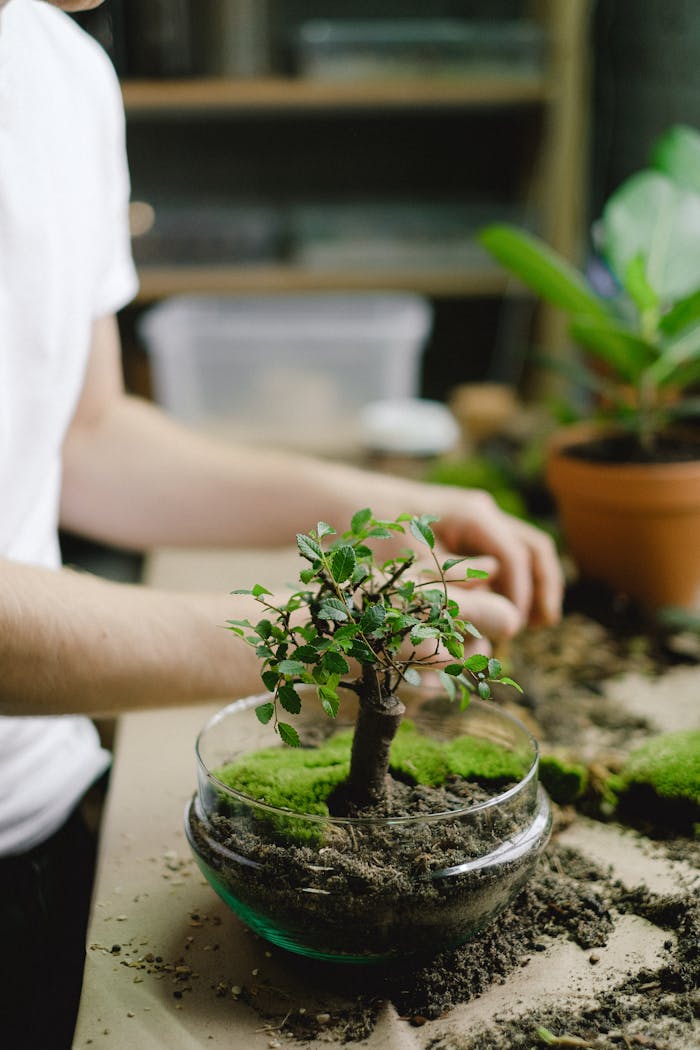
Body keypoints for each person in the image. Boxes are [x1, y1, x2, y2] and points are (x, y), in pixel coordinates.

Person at [0, 0, 564, 1045]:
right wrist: (302, 643)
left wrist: (395, 507)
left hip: (49, 812)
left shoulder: (61, 67)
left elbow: (85, 437)